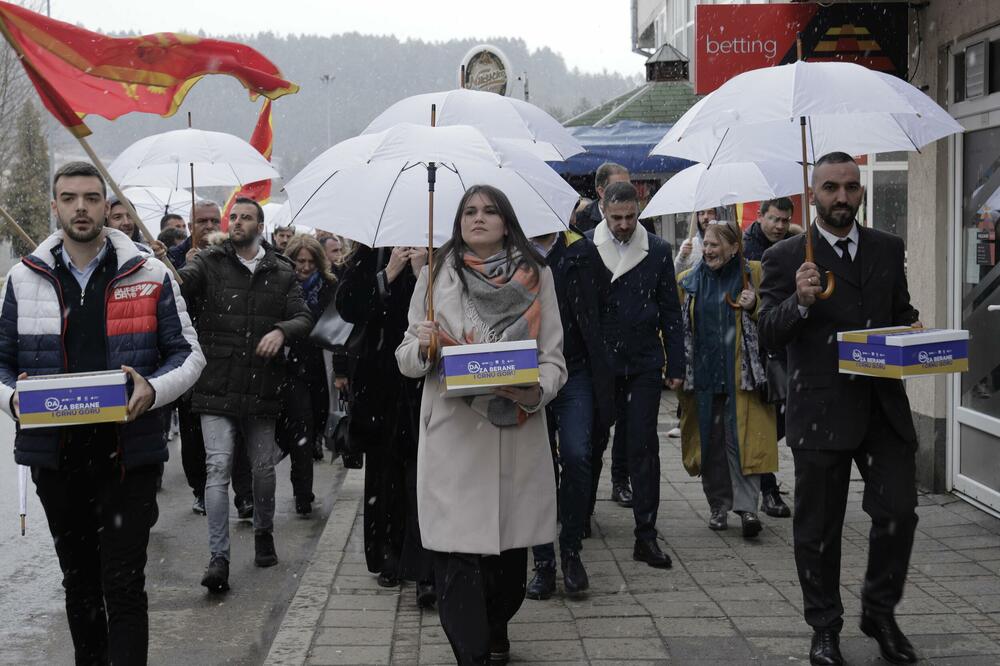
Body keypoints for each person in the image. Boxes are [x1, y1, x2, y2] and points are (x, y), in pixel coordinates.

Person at [0, 161, 205, 664]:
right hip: (57, 457)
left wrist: (152, 389)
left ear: (106, 204)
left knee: (124, 584)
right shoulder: (23, 277)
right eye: (69, 198)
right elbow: (1, 362)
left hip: (127, 457)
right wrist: (13, 399)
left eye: (90, 198)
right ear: (55, 206)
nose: (80, 208)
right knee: (80, 585)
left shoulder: (149, 271)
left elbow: (189, 355)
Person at [759, 152, 922, 666]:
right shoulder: (788, 257)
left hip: (882, 408)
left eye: (852, 187)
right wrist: (799, 302)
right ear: (813, 194)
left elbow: (902, 312)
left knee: (898, 513)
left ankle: (879, 611)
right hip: (821, 409)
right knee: (819, 530)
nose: (843, 197)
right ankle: (824, 627)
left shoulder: (887, 249)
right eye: (831, 187)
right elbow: (767, 333)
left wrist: (914, 331)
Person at [396, 185, 567, 665]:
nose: (478, 218)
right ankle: (469, 652)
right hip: (454, 432)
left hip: (515, 431)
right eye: (469, 211)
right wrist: (424, 346)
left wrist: (537, 391)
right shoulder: (435, 276)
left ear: (506, 220)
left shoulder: (538, 277)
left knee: (508, 565)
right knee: (457, 556)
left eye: (489, 210)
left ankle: (496, 627)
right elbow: (407, 357)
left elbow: (553, 357)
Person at [180, 197, 313, 592]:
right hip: (216, 381)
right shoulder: (208, 262)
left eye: (246, 217)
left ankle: (264, 533)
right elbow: (180, 288)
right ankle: (218, 557)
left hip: (262, 385)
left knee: (263, 469)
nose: (237, 222)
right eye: (233, 217)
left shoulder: (281, 271)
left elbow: (304, 317)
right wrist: (169, 266)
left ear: (259, 225)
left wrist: (281, 330)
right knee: (218, 468)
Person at [586, 181, 684, 569]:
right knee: (592, 441)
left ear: (639, 209)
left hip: (643, 362)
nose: (624, 225)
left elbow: (671, 312)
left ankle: (646, 533)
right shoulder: (586, 250)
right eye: (616, 218)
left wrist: (676, 364)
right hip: (601, 364)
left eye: (631, 217)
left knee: (644, 447)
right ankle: (582, 514)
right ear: (603, 210)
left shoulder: (658, 251)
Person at [336, 241, 436, 606]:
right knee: (384, 472)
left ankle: (425, 566)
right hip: (380, 380)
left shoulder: (443, 249)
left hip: (427, 377)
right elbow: (348, 308)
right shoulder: (371, 251)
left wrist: (424, 274)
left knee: (424, 474)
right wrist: (388, 274)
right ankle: (388, 555)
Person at [525, 228, 613, 601]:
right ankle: (543, 563)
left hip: (574, 370)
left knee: (577, 456)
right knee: (537, 467)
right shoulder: (513, 254)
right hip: (526, 371)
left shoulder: (581, 252)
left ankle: (571, 549)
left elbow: (603, 309)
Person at [676, 219, 777, 537]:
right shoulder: (688, 281)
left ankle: (748, 509)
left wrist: (754, 306)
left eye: (715, 245)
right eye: (706, 244)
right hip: (703, 378)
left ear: (735, 248)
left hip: (743, 377)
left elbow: (775, 319)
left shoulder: (754, 275)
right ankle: (718, 506)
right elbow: (677, 329)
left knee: (743, 442)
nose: (708, 250)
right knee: (711, 443)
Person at [741, 197, 796, 519]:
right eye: (774, 219)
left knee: (783, 420)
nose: (780, 226)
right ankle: (767, 487)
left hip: (788, 339)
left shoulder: (797, 245)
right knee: (765, 422)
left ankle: (758, 470)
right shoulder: (746, 249)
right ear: (760, 216)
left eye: (785, 220)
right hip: (757, 345)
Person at [279, 235, 338, 514]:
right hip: (290, 366)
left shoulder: (329, 286)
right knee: (300, 425)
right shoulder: (281, 285)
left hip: (319, 366)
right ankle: (303, 493)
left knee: (316, 421)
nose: (304, 267)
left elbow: (340, 329)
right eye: (299, 261)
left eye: (310, 262)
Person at [575, 162, 630, 233]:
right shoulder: (581, 220)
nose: (627, 192)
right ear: (601, 192)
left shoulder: (638, 219)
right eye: (619, 187)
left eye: (629, 187)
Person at [673, 207, 719, 275]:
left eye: (710, 212)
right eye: (701, 213)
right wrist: (683, 256)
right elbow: (675, 273)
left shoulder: (724, 242)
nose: (706, 217)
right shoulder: (690, 244)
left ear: (716, 216)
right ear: (697, 217)